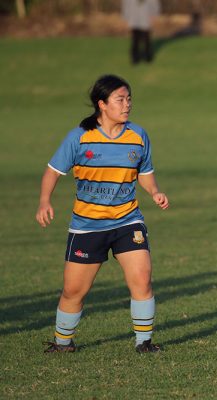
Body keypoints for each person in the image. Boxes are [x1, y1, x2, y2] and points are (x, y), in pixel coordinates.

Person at [36, 74, 169, 353]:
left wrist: (154, 191)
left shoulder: (138, 136)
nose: (127, 105)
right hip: (87, 226)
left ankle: (144, 342)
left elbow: (145, 174)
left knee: (142, 278)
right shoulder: (80, 137)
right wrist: (44, 201)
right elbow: (53, 171)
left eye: (129, 99)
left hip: (127, 220)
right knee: (74, 291)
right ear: (102, 104)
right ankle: (63, 343)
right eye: (120, 99)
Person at [122, 0, 161, 64]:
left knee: (146, 38)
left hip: (146, 17)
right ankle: (135, 58)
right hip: (134, 17)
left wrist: (154, 14)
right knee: (135, 39)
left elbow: (154, 3)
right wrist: (126, 17)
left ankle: (147, 56)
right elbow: (126, 4)